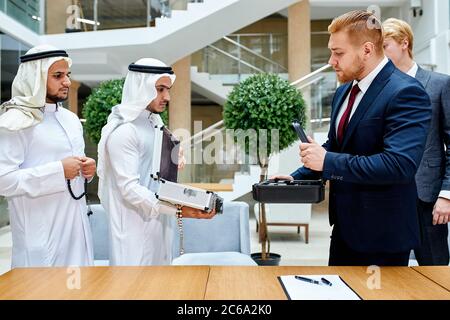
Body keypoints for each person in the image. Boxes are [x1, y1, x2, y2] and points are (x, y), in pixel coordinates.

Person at [273, 11, 431, 266]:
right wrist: (298, 176)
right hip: (344, 230)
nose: (331, 61)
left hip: (383, 237)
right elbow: (335, 146)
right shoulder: (345, 90)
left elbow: (399, 165)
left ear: (367, 50)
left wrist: (328, 162)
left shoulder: (406, 92)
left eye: (339, 53)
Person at [97, 58, 214, 266]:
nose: (167, 96)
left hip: (159, 226)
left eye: (167, 89)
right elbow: (130, 189)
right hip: (132, 234)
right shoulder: (125, 132)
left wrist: (172, 158)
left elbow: (154, 175)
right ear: (142, 87)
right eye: (160, 89)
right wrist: (179, 210)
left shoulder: (155, 124)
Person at [0, 45, 96, 268]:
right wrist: (58, 171)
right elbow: (3, 181)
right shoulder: (15, 121)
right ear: (36, 76)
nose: (67, 82)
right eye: (58, 76)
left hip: (77, 234)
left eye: (68, 75)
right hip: (40, 240)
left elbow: (74, 172)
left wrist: (86, 171)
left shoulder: (71, 120)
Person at [383, 18, 450, 265]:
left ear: (404, 43)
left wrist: (446, 194)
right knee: (390, 272)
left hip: (428, 196)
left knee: (435, 271)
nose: (381, 53)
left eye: (385, 46)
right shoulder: (382, 88)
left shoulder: (439, 84)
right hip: (389, 196)